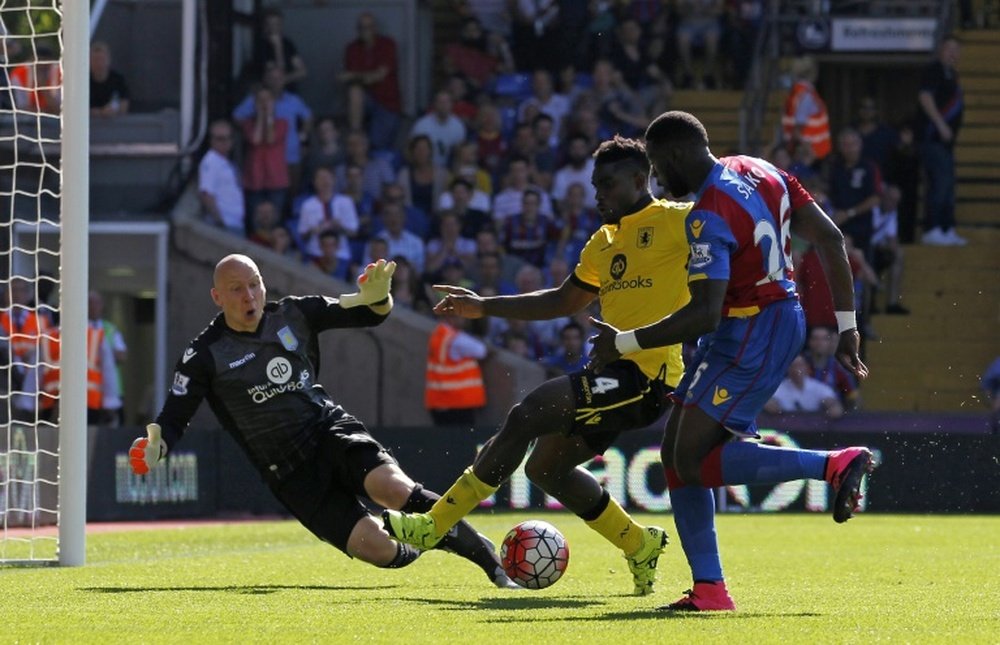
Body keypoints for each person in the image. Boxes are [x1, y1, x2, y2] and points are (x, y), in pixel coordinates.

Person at [383, 135, 694, 596]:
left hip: (648, 379)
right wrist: (483, 307)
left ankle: (433, 525)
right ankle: (639, 543)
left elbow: (733, 233)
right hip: (610, 375)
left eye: (607, 184)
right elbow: (564, 300)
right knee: (545, 470)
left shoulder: (676, 221)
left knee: (527, 413)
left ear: (638, 179)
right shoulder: (603, 242)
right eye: (594, 185)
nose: (598, 194)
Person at [588, 111, 874, 611]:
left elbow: (701, 313)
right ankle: (709, 589)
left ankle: (832, 464)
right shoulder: (759, 169)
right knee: (677, 456)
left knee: (691, 460)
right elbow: (830, 238)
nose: (657, 180)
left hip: (753, 328)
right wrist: (848, 327)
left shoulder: (707, 215)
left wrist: (626, 342)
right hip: (761, 322)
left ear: (676, 155)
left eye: (656, 166)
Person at [127, 255, 516, 588]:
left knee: (392, 487)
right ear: (217, 297)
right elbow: (174, 417)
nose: (249, 296)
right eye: (236, 289)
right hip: (290, 473)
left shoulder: (295, 313)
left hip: (329, 429)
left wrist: (379, 297)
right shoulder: (204, 355)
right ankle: (423, 538)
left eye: (254, 284)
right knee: (382, 552)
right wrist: (155, 447)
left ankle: (490, 560)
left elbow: (367, 312)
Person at [916, 34, 966, 246]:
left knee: (948, 185)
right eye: (949, 49)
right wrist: (940, 124)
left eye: (956, 50)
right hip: (932, 138)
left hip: (945, 143)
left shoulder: (952, 74)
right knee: (939, 183)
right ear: (940, 50)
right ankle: (932, 228)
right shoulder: (934, 70)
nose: (952, 53)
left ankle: (946, 229)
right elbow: (925, 97)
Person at [339, 12, 402, 151]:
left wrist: (355, 75)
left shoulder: (387, 44)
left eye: (368, 27)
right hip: (366, 99)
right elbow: (350, 79)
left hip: (387, 102)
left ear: (375, 28)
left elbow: (377, 76)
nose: (365, 30)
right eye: (361, 27)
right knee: (354, 90)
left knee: (377, 145)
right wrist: (361, 77)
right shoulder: (352, 48)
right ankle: (355, 133)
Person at [425, 313, 488, 427]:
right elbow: (481, 350)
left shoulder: (438, 334)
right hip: (458, 402)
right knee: (462, 441)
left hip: (439, 401)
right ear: (451, 317)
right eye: (460, 317)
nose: (464, 320)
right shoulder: (454, 339)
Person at [781, 56, 831, 166]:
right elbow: (798, 130)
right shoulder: (806, 95)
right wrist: (810, 156)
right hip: (811, 152)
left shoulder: (797, 94)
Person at [199, 119, 245, 236]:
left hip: (235, 223)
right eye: (220, 138)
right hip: (225, 225)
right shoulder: (211, 162)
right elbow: (206, 194)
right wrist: (219, 223)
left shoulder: (226, 162)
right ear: (212, 140)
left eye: (228, 137)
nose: (225, 142)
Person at [88, 290, 127, 427]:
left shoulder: (110, 329)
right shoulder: (79, 329)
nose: (93, 307)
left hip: (111, 387)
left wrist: (105, 352)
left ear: (102, 306)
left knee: (116, 424)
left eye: (97, 303)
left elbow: (122, 355)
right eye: (90, 303)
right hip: (89, 390)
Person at [763, 355, 844, 419]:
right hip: (786, 431)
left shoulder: (818, 387)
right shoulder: (778, 387)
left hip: (814, 431)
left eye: (800, 365)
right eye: (793, 365)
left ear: (807, 367)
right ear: (787, 368)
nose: (796, 369)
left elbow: (831, 402)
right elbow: (769, 401)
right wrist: (769, 405)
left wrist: (834, 407)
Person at [250, 8, 307, 90]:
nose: (274, 27)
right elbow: (276, 74)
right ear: (265, 26)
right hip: (268, 94)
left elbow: (302, 71)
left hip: (289, 92)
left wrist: (285, 79)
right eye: (270, 24)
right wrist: (277, 48)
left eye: (277, 24)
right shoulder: (261, 46)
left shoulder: (288, 44)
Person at [90, 41, 129, 117]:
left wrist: (114, 110)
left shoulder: (118, 80)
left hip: (114, 126)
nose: (99, 64)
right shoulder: (83, 83)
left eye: (102, 59)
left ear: (108, 60)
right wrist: (100, 113)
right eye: (96, 60)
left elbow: (125, 105)